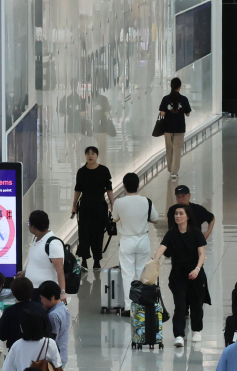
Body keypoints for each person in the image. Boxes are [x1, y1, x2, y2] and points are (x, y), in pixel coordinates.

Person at [153, 205, 207, 348]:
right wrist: (154, 259)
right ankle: (179, 335)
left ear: (187, 216)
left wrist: (197, 269)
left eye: (180, 213)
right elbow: (162, 248)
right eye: (176, 214)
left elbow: (202, 254)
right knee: (180, 306)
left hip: (195, 274)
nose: (177, 216)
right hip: (178, 275)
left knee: (196, 304)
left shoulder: (196, 233)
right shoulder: (171, 234)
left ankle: (196, 330)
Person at [112, 173, 158, 315]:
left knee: (127, 274)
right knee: (141, 273)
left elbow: (114, 218)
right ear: (138, 185)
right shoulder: (146, 201)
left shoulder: (119, 203)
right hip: (143, 240)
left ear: (124, 186)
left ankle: (129, 307)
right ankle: (141, 304)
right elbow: (155, 219)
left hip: (127, 240)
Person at [71, 147, 113, 269]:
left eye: (93, 154)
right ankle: (84, 259)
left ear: (97, 155)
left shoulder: (104, 170)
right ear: (85, 156)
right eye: (88, 154)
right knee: (84, 233)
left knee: (98, 233)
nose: (90, 156)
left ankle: (97, 260)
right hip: (85, 206)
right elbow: (78, 189)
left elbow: (109, 189)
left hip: (100, 206)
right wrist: (74, 205)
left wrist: (113, 205)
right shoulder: (81, 171)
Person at [21, 210, 66, 291]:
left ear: (33, 227)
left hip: (46, 291)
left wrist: (62, 292)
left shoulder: (53, 243)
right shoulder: (36, 239)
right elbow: (38, 262)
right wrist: (25, 272)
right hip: (32, 288)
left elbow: (60, 271)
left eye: (29, 223)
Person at [157, 77, 191, 178]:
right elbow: (188, 113)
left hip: (167, 128)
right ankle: (174, 172)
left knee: (169, 149)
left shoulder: (166, 99)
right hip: (179, 128)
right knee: (177, 150)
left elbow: (162, 113)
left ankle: (170, 168)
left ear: (171, 86)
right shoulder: (184, 99)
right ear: (179, 87)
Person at [39, 281, 70, 367]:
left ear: (52, 297)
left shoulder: (53, 316)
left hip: (55, 359)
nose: (41, 301)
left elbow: (52, 339)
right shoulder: (64, 308)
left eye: (42, 298)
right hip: (63, 354)